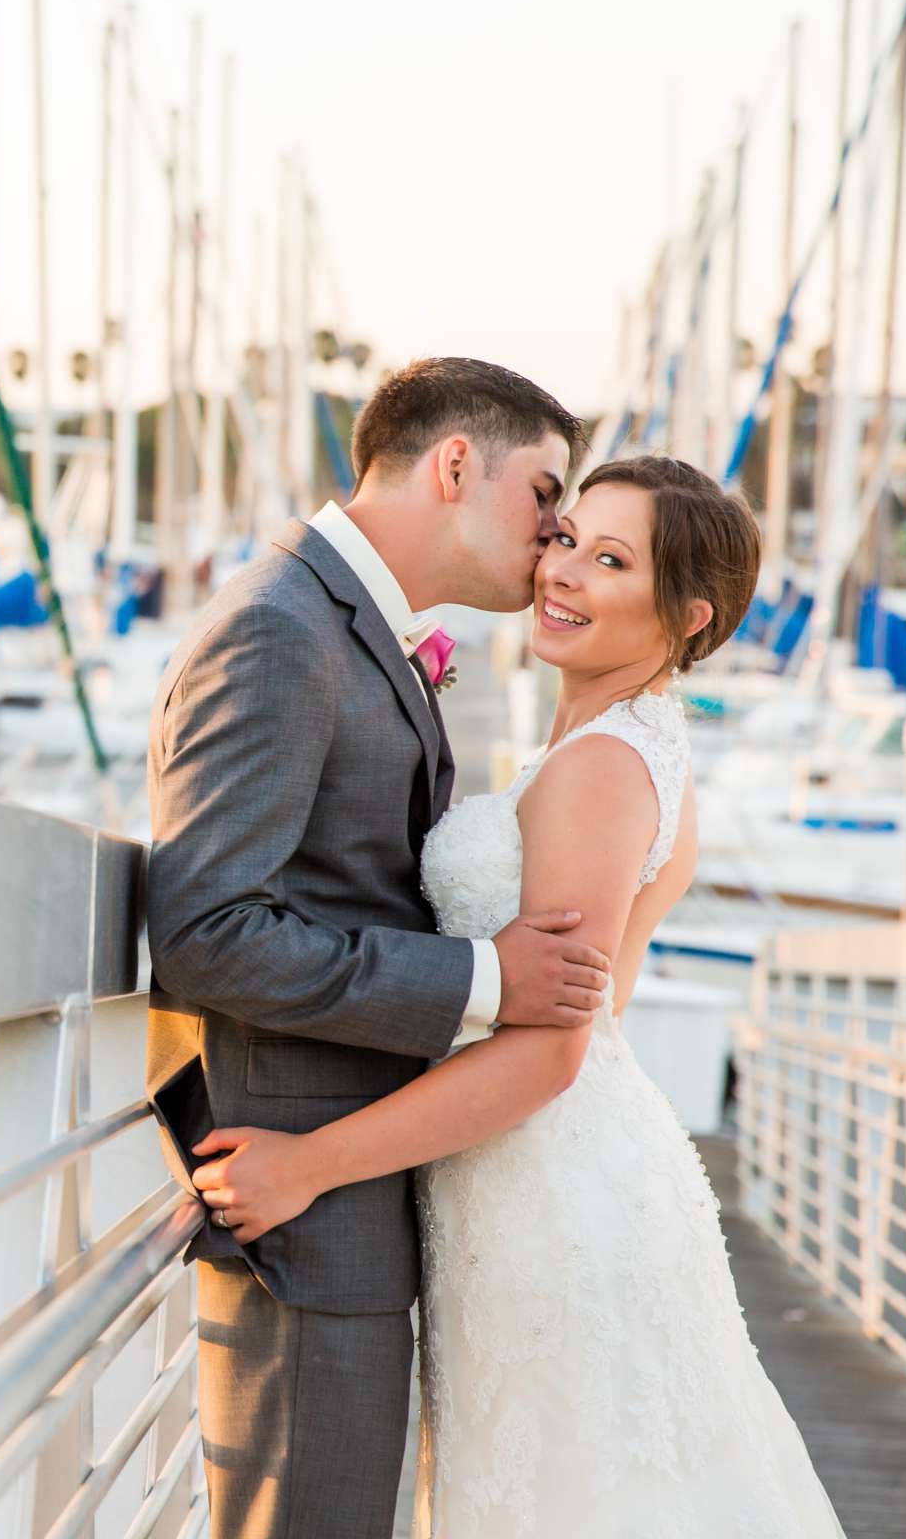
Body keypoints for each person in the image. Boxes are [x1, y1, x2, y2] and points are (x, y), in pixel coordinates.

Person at [189, 455, 846, 1535]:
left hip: (549, 1191)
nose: (565, 571)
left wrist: (308, 1164)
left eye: (611, 559)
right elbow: (604, 1003)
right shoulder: (632, 744)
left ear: (686, 615)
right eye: (569, 537)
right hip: (545, 1175)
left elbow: (552, 1049)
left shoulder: (601, 769)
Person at [145, 358, 612, 1538]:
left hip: (344, 1193)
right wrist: (485, 979)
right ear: (456, 464)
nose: (559, 530)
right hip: (299, 1213)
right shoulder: (276, 631)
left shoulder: (341, 627)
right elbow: (204, 932)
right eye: (546, 492)